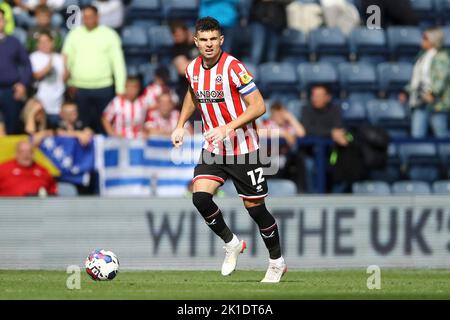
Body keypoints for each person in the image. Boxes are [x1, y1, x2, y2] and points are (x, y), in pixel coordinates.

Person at [171, 17, 286, 283]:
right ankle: (232, 243)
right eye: (204, 40)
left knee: (255, 209)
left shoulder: (233, 67)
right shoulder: (192, 69)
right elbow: (192, 93)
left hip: (244, 148)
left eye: (214, 39)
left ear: (221, 40)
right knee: (200, 198)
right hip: (213, 147)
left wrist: (228, 128)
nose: (209, 45)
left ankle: (276, 262)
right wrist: (180, 124)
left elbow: (258, 106)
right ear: (196, 42)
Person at [63, 4, 126, 134]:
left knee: (103, 127)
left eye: (91, 16)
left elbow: (118, 63)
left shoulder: (110, 34)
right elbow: (66, 60)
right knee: (81, 128)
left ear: (98, 17)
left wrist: (120, 88)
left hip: (104, 88)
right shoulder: (74, 34)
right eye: (85, 17)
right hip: (79, 89)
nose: (88, 19)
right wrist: (68, 83)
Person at [401, 28, 450, 138]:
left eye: (425, 38)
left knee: (441, 135)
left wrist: (432, 94)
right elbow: (417, 79)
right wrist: (406, 90)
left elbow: (441, 78)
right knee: (417, 135)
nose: (422, 40)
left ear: (433, 41)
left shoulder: (441, 57)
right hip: (420, 100)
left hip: (436, 103)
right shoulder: (422, 56)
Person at [301, 84, 349, 193]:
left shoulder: (335, 109)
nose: (315, 98)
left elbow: (339, 130)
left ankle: (337, 200)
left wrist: (332, 133)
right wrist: (330, 132)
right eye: (314, 95)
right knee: (309, 165)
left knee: (343, 164)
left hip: (331, 152)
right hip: (310, 152)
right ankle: (312, 198)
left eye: (319, 95)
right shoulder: (306, 109)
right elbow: (306, 130)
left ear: (328, 97)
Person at [0, 8, 32, 135]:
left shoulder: (14, 42)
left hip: (11, 91)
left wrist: (23, 84)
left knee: (12, 127)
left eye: (0, 19)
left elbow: (27, 64)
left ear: (5, 22)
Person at [30, 31, 68, 128]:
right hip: (41, 106)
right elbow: (36, 75)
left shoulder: (59, 58)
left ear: (52, 42)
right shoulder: (34, 57)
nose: (44, 44)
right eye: (41, 42)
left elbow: (64, 79)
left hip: (58, 106)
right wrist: (49, 66)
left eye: (46, 41)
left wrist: (65, 64)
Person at [249, 0, 291, 64]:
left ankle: (269, 73)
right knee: (257, 52)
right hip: (258, 19)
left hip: (276, 22)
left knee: (271, 55)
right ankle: (251, 73)